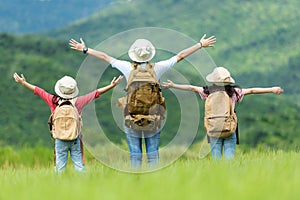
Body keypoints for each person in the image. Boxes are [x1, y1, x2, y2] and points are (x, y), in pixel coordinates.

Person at [69, 34, 216, 168]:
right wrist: (200, 44)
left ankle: (137, 186)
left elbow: (105, 57)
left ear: (133, 55)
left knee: (135, 155)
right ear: (149, 55)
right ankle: (154, 186)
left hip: (131, 118)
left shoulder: (127, 67)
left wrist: (85, 49)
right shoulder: (157, 68)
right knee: (153, 155)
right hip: (154, 118)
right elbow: (180, 56)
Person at [162, 67, 284, 160]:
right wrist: (272, 89)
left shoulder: (208, 91)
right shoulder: (234, 92)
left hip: (214, 128)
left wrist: (174, 85)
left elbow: (192, 88)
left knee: (216, 161)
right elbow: (252, 90)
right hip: (229, 127)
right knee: (229, 160)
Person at [13, 72, 123, 172]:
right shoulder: (78, 102)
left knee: (60, 167)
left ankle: (58, 188)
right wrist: (111, 85)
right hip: (75, 137)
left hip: (60, 138)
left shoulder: (53, 100)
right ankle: (85, 186)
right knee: (79, 166)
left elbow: (38, 91)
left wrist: (23, 83)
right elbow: (96, 93)